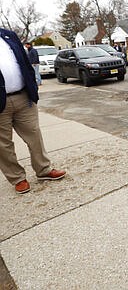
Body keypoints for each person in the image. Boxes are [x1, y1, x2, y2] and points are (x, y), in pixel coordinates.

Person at [0, 28, 66, 194]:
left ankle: (43, 170)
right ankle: (17, 178)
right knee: (3, 145)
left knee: (34, 135)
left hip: (23, 97)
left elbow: (24, 62)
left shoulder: (8, 35)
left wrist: (33, 88)